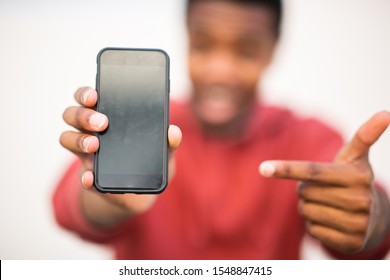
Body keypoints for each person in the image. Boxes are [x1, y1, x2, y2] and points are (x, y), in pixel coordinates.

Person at [53, 0, 390, 259]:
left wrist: (373, 218)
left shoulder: (306, 136)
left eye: (246, 51)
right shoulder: (143, 121)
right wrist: (103, 196)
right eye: (202, 45)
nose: (220, 71)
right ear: (186, 36)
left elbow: (364, 210)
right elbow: (69, 209)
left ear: (272, 50)